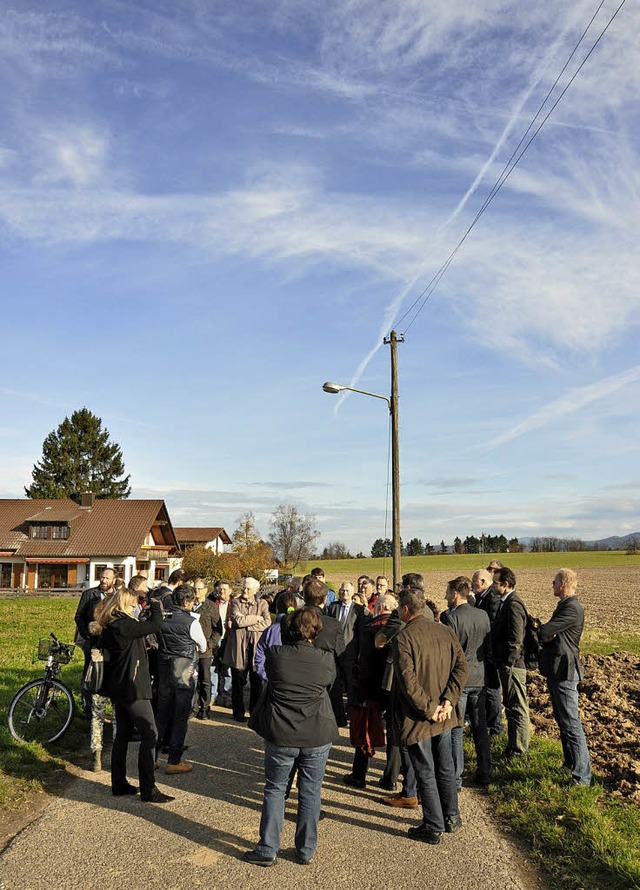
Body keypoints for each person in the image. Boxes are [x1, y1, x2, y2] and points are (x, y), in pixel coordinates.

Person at [245, 607, 339, 867]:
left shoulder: (276, 656)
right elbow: (328, 684)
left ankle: (267, 848)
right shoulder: (325, 659)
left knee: (275, 789)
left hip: (282, 732)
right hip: (316, 732)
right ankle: (306, 849)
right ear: (316, 631)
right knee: (311, 791)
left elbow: (270, 677)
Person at [393, 584, 468, 845]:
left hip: (419, 718)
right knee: (445, 767)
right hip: (444, 714)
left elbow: (407, 682)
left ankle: (433, 825)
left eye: (398, 608)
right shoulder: (445, 629)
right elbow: (462, 668)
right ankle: (452, 817)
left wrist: (431, 708)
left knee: (425, 770)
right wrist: (448, 700)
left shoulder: (403, 638)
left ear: (405, 609)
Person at [90, 585, 173, 803]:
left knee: (123, 735)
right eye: (134, 603)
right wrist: (156, 605)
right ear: (127, 604)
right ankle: (149, 788)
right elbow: (156, 625)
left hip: (118, 687)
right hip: (133, 687)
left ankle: (119, 783)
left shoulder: (111, 624)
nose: (137, 606)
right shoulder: (124, 625)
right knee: (150, 734)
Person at [539, 569, 591, 786]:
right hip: (558, 670)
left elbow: (545, 631)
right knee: (562, 720)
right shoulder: (564, 606)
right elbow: (550, 634)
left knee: (571, 724)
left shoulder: (572, 609)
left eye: (554, 581)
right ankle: (570, 763)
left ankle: (582, 776)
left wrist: (545, 633)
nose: (552, 584)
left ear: (562, 583)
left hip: (566, 671)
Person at [343, 592, 400, 791]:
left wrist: (360, 693)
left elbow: (365, 664)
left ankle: (359, 775)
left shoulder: (371, 629)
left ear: (379, 608)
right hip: (393, 688)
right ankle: (391, 778)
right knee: (394, 734)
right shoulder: (399, 629)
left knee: (364, 731)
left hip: (372, 689)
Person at [441, 576, 492, 787]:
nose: (445, 597)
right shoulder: (483, 615)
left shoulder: (451, 619)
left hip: (459, 680)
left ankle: (456, 776)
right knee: (480, 727)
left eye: (447, 593)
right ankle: (485, 771)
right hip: (479, 677)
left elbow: (448, 652)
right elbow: (487, 648)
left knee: (456, 728)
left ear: (454, 594)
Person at [155, 586, 207, 773]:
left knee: (161, 713)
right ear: (186, 602)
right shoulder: (192, 622)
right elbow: (203, 646)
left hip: (164, 666)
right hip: (183, 667)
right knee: (180, 716)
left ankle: (152, 757)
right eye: (192, 601)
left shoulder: (163, 619)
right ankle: (174, 760)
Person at [491, 567, 530, 759]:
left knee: (518, 707)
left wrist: (508, 662)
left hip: (513, 666)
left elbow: (516, 639)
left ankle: (519, 749)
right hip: (508, 664)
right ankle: (512, 745)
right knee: (511, 705)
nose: (493, 586)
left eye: (496, 583)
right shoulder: (506, 602)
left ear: (505, 584)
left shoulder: (513, 604)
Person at [222, 577, 271, 722]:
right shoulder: (236, 602)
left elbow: (267, 623)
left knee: (257, 681)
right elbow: (237, 620)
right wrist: (256, 618)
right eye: (244, 587)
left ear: (255, 590)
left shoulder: (262, 603)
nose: (245, 590)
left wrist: (247, 623)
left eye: (248, 588)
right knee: (237, 681)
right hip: (239, 648)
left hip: (256, 648)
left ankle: (254, 711)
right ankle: (238, 712)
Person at [74, 567, 116, 718]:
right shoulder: (89, 594)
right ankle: (88, 707)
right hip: (92, 641)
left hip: (111, 642)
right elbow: (79, 616)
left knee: (110, 672)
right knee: (89, 672)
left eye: (107, 578)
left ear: (114, 580)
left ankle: (108, 707)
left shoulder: (117, 596)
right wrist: (86, 634)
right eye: (102, 577)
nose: (104, 580)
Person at [327, 581, 365, 725]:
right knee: (336, 682)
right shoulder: (333, 607)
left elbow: (361, 633)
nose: (345, 593)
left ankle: (351, 711)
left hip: (350, 652)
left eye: (348, 591)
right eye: (342, 590)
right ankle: (336, 712)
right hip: (335, 651)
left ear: (353, 591)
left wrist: (359, 653)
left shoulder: (359, 609)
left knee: (350, 682)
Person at [472, 569, 503, 737]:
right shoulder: (482, 597)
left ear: (483, 582)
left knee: (492, 690)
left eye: (474, 581)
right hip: (485, 650)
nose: (472, 585)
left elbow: (489, 624)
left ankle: (495, 727)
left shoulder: (492, 598)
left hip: (490, 652)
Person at [192, 579, 221, 719]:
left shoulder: (211, 607)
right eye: (195, 589)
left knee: (205, 680)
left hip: (205, 651)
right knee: (189, 679)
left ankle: (204, 708)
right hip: (189, 650)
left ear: (205, 590)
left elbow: (218, 630)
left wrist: (209, 644)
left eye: (199, 589)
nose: (196, 592)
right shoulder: (188, 604)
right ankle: (191, 707)